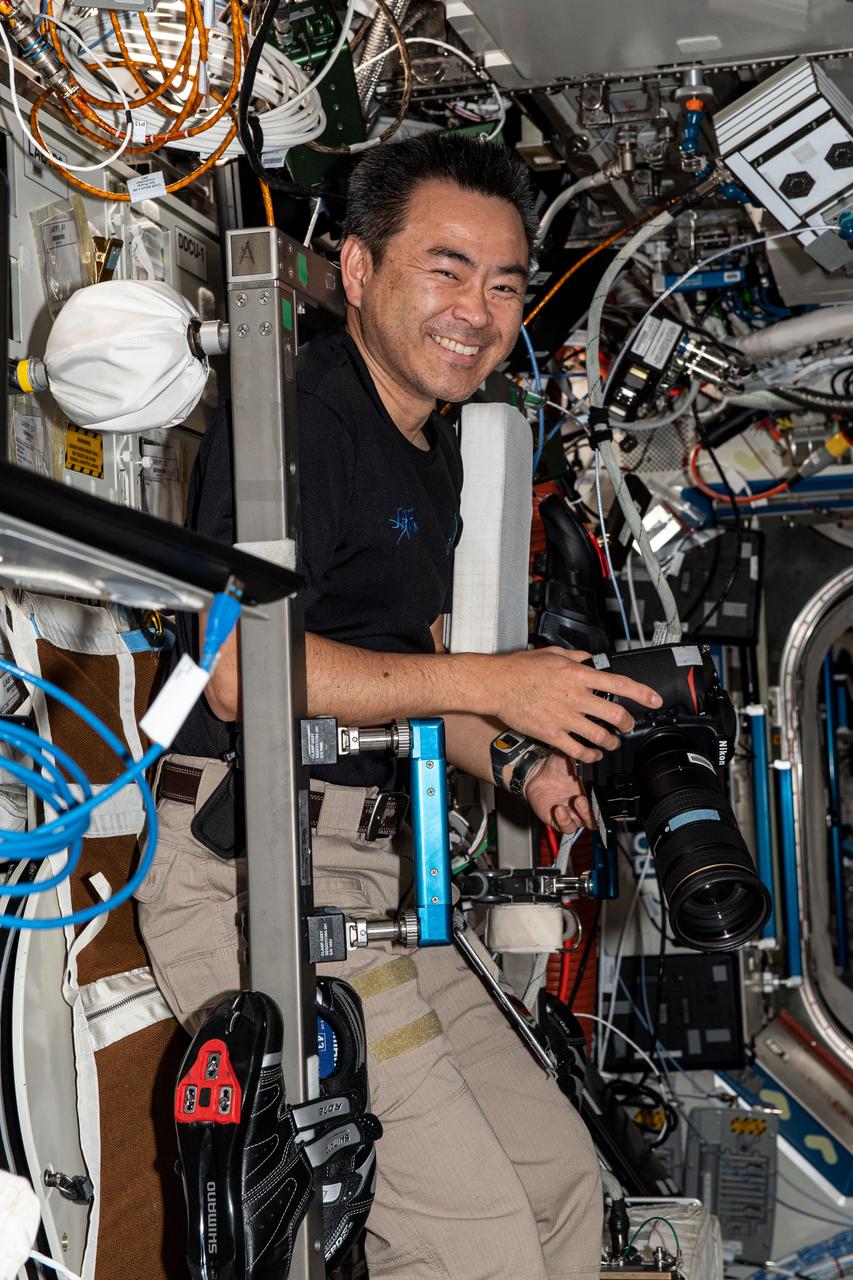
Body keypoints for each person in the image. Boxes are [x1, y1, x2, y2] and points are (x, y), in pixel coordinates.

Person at [136, 133, 663, 1280]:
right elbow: (238, 674)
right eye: (447, 267)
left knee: (566, 1192)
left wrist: (522, 762)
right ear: (359, 271)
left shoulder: (427, 449)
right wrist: (491, 679)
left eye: (506, 281)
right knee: (476, 1245)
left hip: (372, 886)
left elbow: (413, 666)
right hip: (251, 873)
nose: (479, 307)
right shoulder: (300, 417)